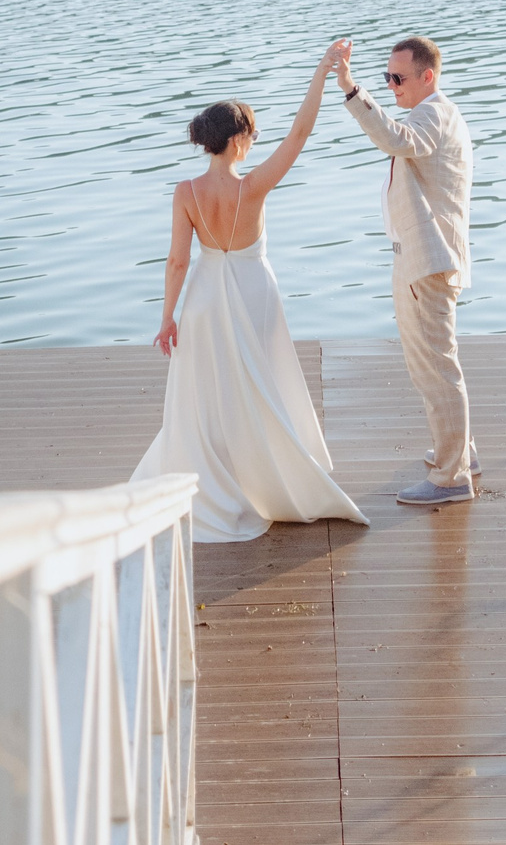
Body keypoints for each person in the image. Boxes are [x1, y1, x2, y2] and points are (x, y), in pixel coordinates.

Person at [132, 42, 367, 543]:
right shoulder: (255, 186)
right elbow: (301, 133)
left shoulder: (185, 192)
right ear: (238, 140)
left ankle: (211, 480)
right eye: (253, 133)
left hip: (200, 300)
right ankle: (265, 474)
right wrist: (324, 73)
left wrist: (167, 317)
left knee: (207, 396)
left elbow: (177, 261)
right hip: (252, 292)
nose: (256, 141)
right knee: (258, 388)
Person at [335, 35, 478, 507]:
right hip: (427, 255)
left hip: (427, 260)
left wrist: (354, 92)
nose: (392, 85)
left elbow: (394, 138)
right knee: (437, 364)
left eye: (399, 78)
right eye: (386, 78)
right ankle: (461, 454)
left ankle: (451, 476)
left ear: (427, 77)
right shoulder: (439, 113)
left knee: (434, 368)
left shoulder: (432, 114)